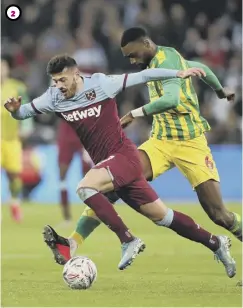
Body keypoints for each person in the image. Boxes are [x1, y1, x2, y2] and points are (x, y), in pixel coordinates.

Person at [4, 55, 236, 276]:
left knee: (86, 188)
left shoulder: (102, 84)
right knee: (163, 217)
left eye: (63, 79)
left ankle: (127, 239)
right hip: (110, 166)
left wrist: (178, 72)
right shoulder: (53, 96)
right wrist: (15, 111)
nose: (59, 85)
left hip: (124, 156)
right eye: (55, 81)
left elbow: (145, 76)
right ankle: (216, 243)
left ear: (76, 74)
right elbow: (24, 112)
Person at [67, 27, 242, 250]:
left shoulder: (166, 61)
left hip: (191, 143)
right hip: (160, 142)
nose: (131, 61)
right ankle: (73, 242)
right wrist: (219, 90)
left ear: (147, 44)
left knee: (219, 215)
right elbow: (201, 68)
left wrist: (134, 113)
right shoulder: (163, 59)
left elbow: (171, 99)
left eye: (133, 54)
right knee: (116, 182)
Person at [1, 55, 33, 222]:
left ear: (7, 69)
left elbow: (26, 107)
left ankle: (14, 202)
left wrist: (27, 127)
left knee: (14, 174)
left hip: (12, 139)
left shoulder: (17, 87)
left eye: (2, 67)